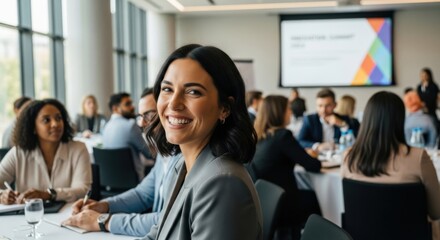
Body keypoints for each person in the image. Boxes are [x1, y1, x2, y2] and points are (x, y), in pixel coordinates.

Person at [142, 44, 262, 240]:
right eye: (167, 89)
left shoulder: (222, 184)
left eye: (193, 92)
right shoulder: (182, 165)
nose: (173, 103)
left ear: (224, 108)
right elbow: (156, 235)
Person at [62, 90, 180, 237]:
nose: (141, 123)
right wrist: (103, 206)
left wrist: (104, 220)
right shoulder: (165, 154)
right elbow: (143, 195)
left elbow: (169, 221)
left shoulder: (186, 157)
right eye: (140, 116)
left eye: (149, 115)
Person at [342, 91, 440, 220]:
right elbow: (436, 212)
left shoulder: (349, 156)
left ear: (366, 119)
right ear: (400, 120)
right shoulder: (418, 157)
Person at [248, 95, 321, 240]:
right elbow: (314, 166)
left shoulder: (259, 136)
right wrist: (311, 155)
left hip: (265, 202)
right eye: (288, 109)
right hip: (285, 203)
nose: (291, 112)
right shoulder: (283, 136)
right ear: (279, 112)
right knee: (315, 198)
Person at [0, 99, 92, 204]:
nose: (55, 124)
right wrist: (1, 195)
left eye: (58, 118)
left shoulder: (78, 149)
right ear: (33, 127)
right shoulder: (18, 153)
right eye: (46, 120)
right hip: (29, 217)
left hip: (68, 216)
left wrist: (49, 194)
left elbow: (83, 190)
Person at [102, 92, 154, 181]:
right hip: (134, 183)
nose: (132, 107)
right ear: (115, 108)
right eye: (127, 104)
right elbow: (150, 154)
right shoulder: (130, 126)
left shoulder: (106, 127)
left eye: (131, 103)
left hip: (111, 183)